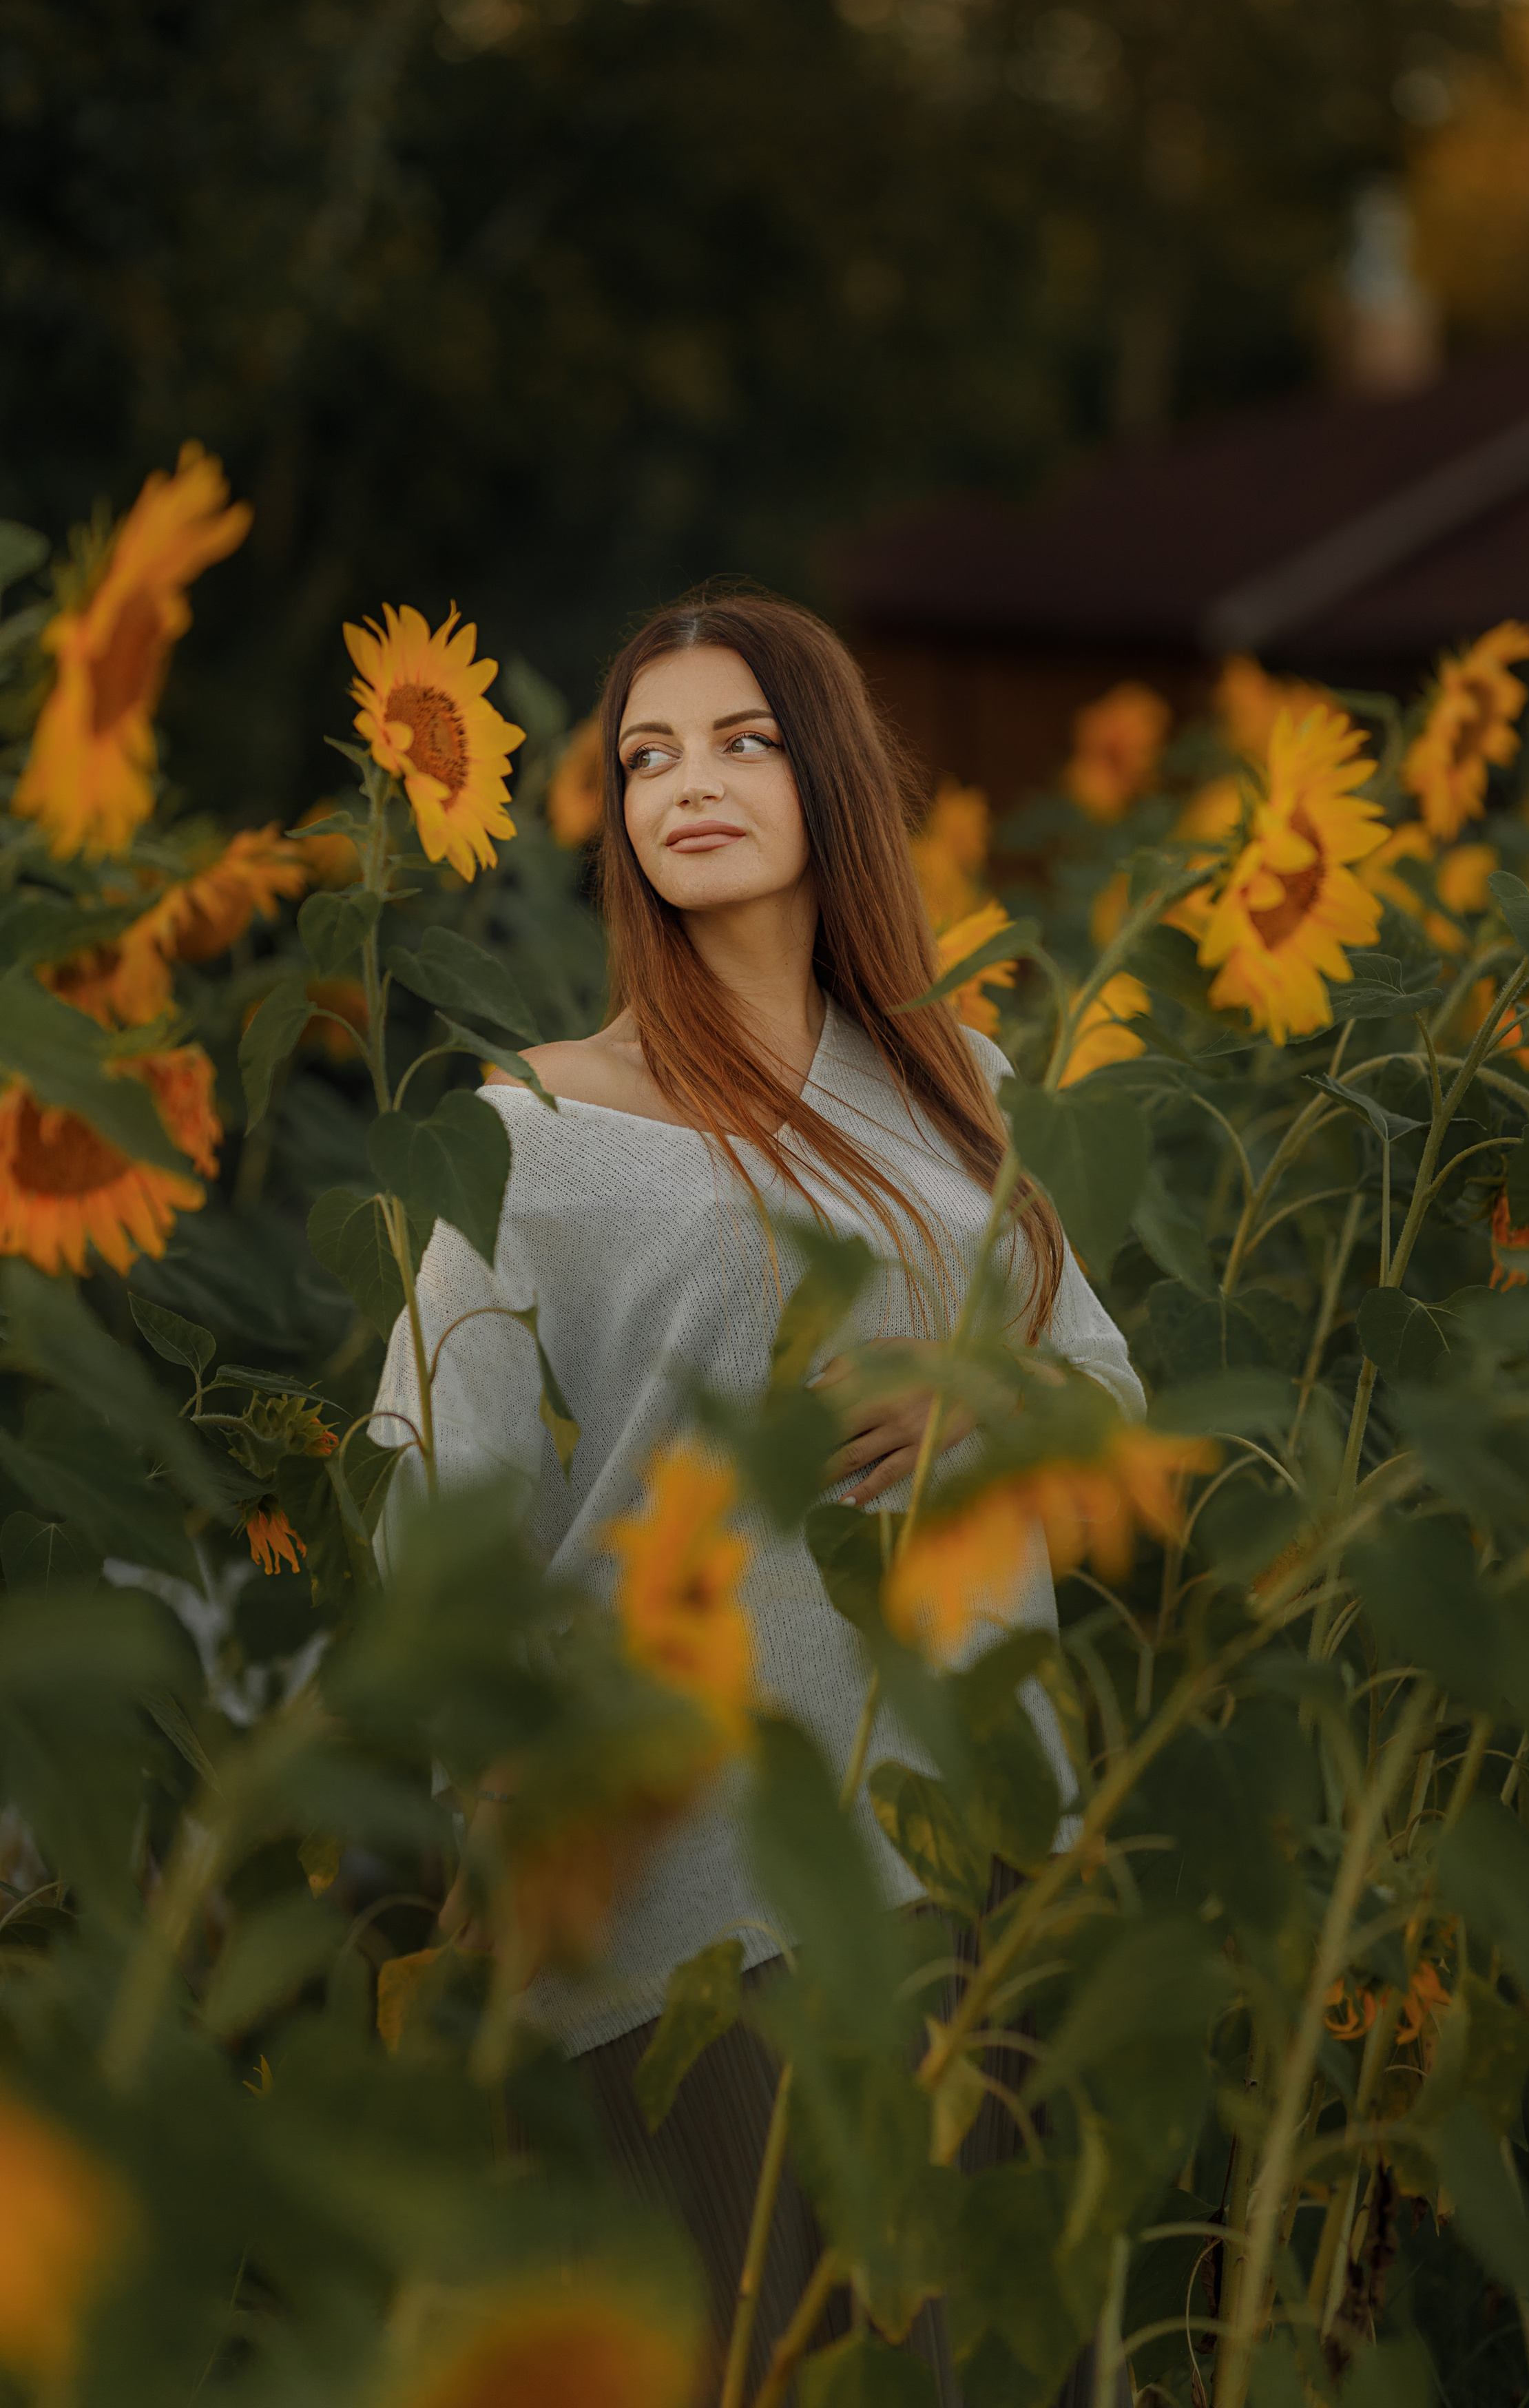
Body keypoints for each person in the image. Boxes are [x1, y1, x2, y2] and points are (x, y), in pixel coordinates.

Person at [374, 592, 1143, 2402]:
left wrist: (982, 1404)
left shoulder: (960, 1098)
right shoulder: (529, 1139)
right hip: (684, 1881)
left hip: (960, 1843)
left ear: (833, 777)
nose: (687, 783)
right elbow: (435, 1506)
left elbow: (1102, 1388)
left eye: (740, 740)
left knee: (963, 2359)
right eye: (647, 755)